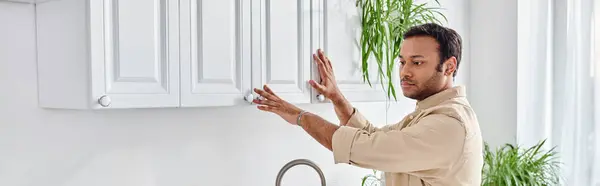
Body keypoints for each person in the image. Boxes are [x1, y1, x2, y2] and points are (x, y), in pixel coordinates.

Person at [252, 23, 483, 186]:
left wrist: (299, 116)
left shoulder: (447, 125)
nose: (404, 72)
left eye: (417, 62)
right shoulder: (432, 113)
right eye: (402, 62)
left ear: (449, 66)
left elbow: (365, 147)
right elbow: (373, 136)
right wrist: (337, 98)